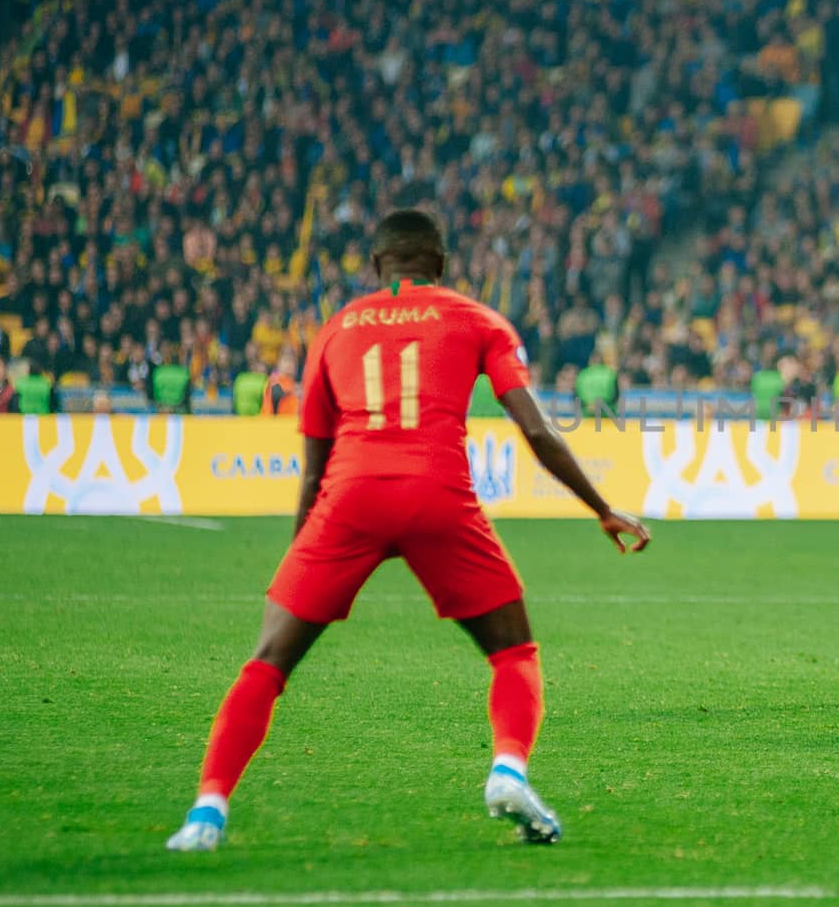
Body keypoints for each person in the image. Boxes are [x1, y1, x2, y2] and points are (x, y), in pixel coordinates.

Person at [166, 210, 650, 852]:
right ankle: (507, 770)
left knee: (268, 663)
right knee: (514, 653)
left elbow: (313, 467)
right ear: (441, 267)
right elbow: (536, 430)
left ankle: (206, 814)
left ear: (377, 266)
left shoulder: (336, 330)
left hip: (351, 494)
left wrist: (300, 559)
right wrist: (601, 507)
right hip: (438, 493)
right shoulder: (479, 320)